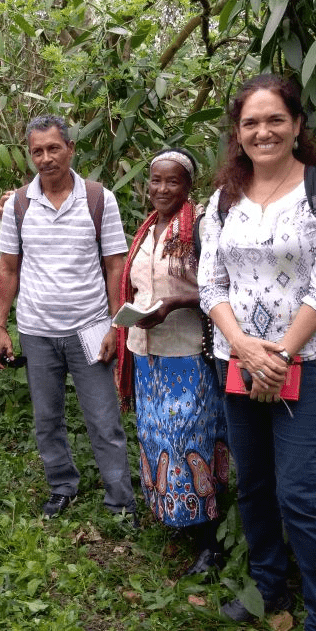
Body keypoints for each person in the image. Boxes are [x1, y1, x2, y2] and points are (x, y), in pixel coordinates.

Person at [198, 74, 316, 631]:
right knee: (255, 483)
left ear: (296, 126)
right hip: (234, 358)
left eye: (274, 120)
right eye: (250, 123)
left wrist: (280, 356)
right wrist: (243, 347)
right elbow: (211, 284)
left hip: (304, 363)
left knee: (298, 494)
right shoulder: (222, 201)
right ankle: (268, 589)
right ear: (237, 134)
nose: (263, 132)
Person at [0, 115, 136, 519]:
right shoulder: (19, 204)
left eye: (54, 148)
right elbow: (8, 268)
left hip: (90, 327)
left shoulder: (97, 198)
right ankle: (61, 485)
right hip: (37, 331)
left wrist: (115, 325)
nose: (46, 158)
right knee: (46, 418)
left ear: (71, 149)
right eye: (37, 151)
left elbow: (114, 264)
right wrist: (1, 327)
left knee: (104, 419)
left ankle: (120, 500)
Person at [115, 148, 228, 574]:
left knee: (189, 441)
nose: (161, 189)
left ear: (188, 186)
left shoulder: (199, 227)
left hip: (187, 355)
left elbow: (223, 286)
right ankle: (177, 516)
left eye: (172, 181)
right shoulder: (149, 229)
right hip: (146, 355)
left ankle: (210, 540)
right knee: (157, 437)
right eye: (155, 180)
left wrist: (176, 301)